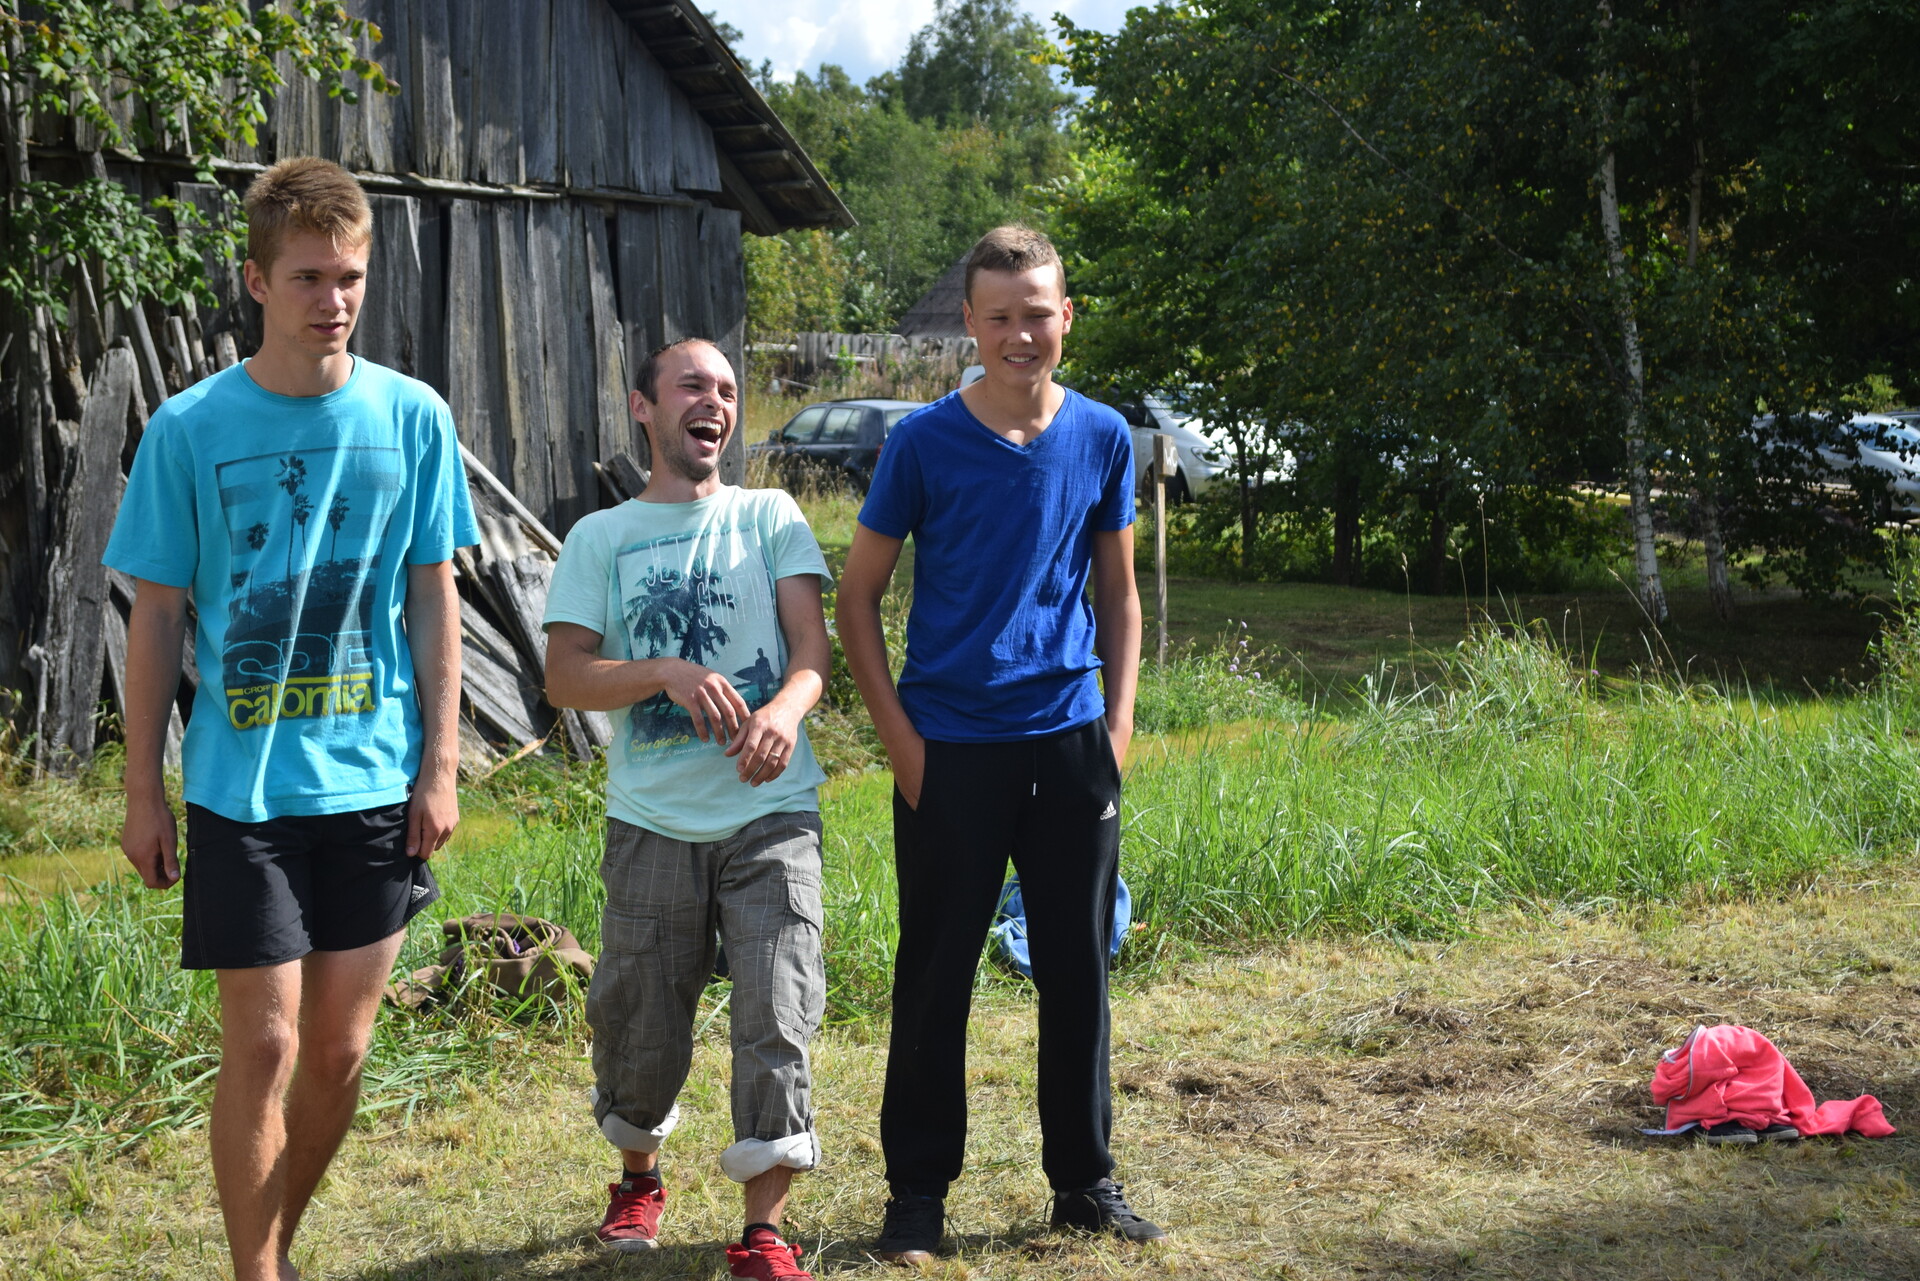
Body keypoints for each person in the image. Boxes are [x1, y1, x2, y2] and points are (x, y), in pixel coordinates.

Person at [106, 157, 477, 1281]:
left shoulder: (413, 417)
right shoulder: (189, 428)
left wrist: (441, 763)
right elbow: (157, 617)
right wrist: (141, 789)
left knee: (339, 1051)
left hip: (374, 779)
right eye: (309, 277)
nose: (334, 299)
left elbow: (432, 593)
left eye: (350, 277)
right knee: (263, 1044)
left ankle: (272, 1239)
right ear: (258, 280)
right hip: (242, 788)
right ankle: (258, 1273)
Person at [837, 224, 1166, 1262]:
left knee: (1079, 970)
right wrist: (902, 743)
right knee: (936, 978)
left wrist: (1116, 726)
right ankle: (917, 1197)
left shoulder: (1102, 436)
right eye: (999, 318)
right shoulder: (924, 443)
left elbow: (1119, 595)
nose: (1021, 334)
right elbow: (857, 599)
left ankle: (1085, 1183)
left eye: (1037, 314)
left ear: (1066, 316)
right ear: (970, 328)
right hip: (951, 748)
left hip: (1070, 742)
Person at [544, 338, 833, 1281]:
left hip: (772, 812)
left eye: (727, 389)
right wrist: (664, 670)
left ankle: (764, 1230)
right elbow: (564, 676)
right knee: (640, 1022)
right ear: (644, 407)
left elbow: (811, 649)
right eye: (692, 386)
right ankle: (639, 1178)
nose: (715, 401)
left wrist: (784, 712)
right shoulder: (602, 537)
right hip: (652, 820)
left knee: (778, 1008)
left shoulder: (770, 515)